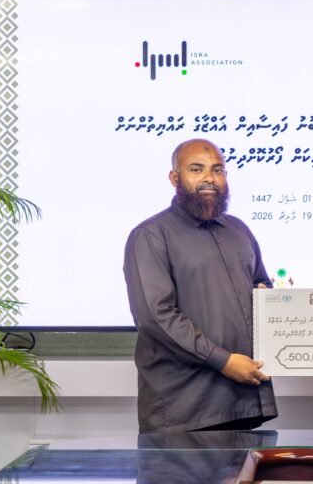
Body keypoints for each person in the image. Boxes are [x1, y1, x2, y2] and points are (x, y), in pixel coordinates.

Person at [123, 138, 277, 433]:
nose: (209, 178)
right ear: (174, 178)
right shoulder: (150, 235)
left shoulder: (239, 230)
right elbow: (156, 317)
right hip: (184, 409)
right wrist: (223, 361)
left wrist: (270, 300)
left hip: (243, 399)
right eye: (197, 169)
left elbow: (262, 285)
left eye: (217, 170)